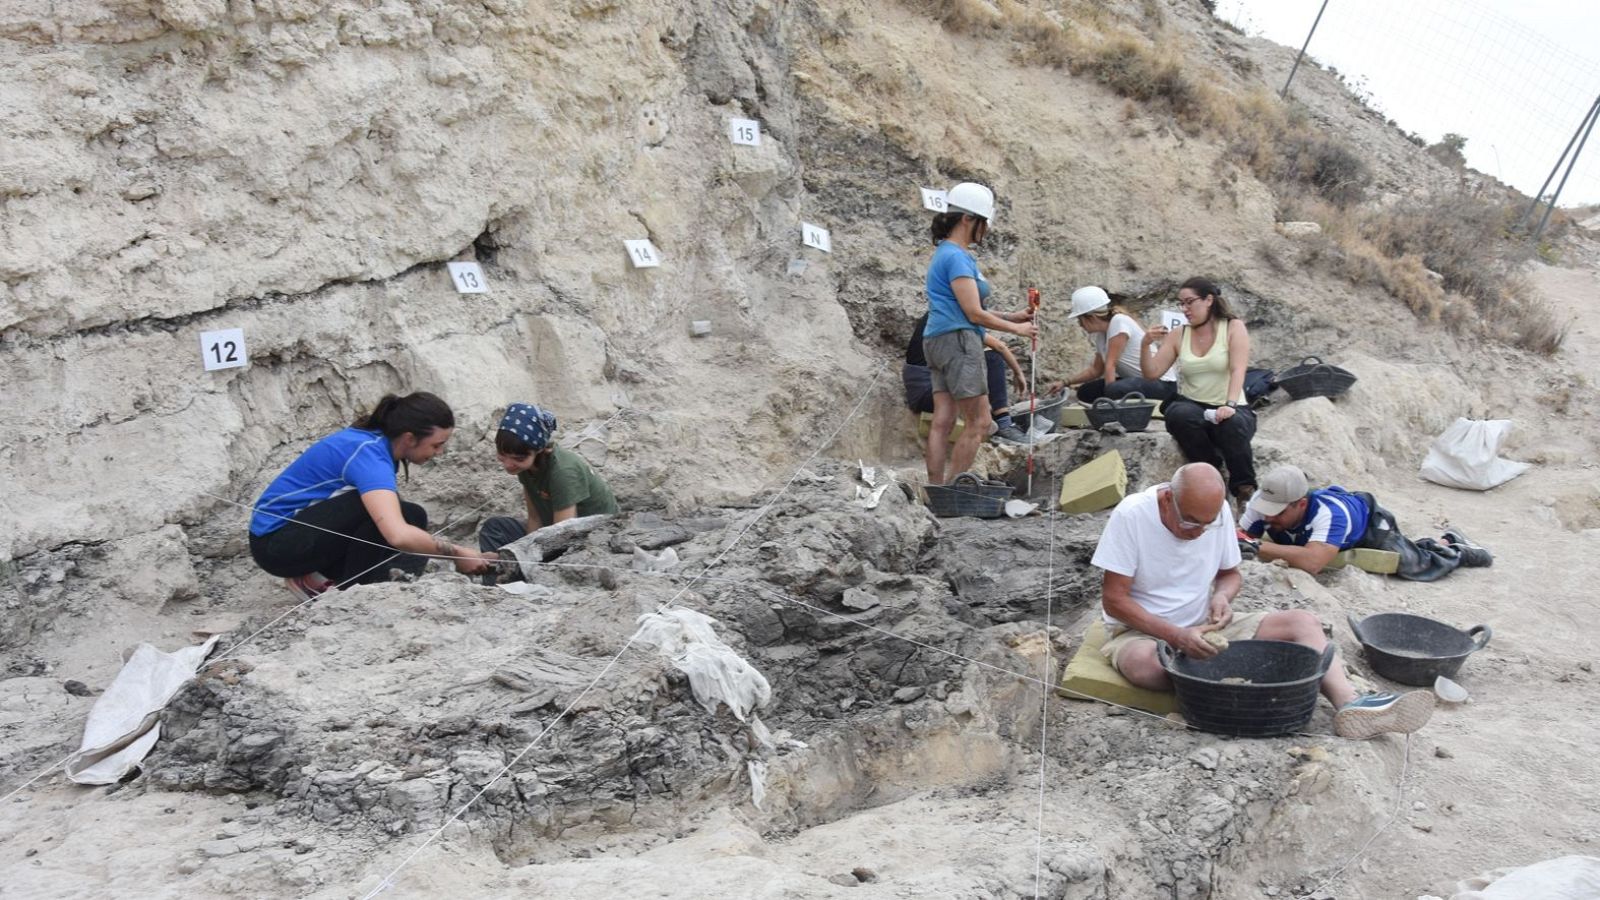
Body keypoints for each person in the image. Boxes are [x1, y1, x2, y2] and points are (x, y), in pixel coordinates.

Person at [1091, 462, 1435, 739]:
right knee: (1146, 665)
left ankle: (1350, 705)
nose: (1197, 532)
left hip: (1203, 625)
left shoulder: (1215, 514)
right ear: (1168, 499)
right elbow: (1115, 601)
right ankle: (1239, 683)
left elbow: (1230, 574)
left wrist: (1222, 597)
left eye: (1205, 525)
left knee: (1303, 623)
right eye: (1190, 523)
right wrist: (1176, 636)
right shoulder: (1132, 515)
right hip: (1144, 632)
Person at [249, 392, 495, 599]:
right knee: (386, 515)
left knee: (409, 514)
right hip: (276, 544)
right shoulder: (370, 456)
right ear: (409, 438)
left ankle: (323, 578)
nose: (439, 452)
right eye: (436, 444)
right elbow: (398, 535)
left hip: (293, 534)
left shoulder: (374, 442)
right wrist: (458, 553)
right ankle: (353, 592)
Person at [922, 181, 1038, 485]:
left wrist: (1010, 316)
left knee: (943, 421)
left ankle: (935, 488)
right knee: (981, 421)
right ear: (968, 219)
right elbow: (973, 313)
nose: (985, 231)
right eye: (983, 223)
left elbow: (962, 306)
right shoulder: (957, 257)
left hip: (937, 340)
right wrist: (1017, 328)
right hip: (959, 341)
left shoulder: (944, 253)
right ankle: (951, 490)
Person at [1238, 465, 1493, 580]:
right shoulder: (1264, 501)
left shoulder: (1331, 514)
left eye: (1278, 513)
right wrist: (1245, 540)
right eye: (1266, 511)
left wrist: (1256, 546)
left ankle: (1454, 547)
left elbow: (1312, 563)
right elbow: (1240, 536)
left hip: (1369, 526)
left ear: (1301, 504)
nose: (1268, 517)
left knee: (1415, 565)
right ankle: (1439, 543)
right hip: (1319, 535)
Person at [1142, 277, 1257, 505]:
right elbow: (1152, 373)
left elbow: (1238, 369)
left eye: (1189, 302)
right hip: (1194, 405)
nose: (1184, 309)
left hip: (1231, 404)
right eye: (1181, 304)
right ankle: (1213, 474)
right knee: (1178, 415)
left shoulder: (1233, 327)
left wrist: (1230, 405)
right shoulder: (1179, 334)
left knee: (1231, 424)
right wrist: (1145, 344)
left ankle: (1244, 490)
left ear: (1208, 300)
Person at [478, 402, 619, 553]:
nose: (508, 464)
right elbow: (535, 519)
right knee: (495, 529)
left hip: (590, 538)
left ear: (538, 449)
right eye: (502, 455)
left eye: (518, 458)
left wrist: (524, 556)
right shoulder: (526, 467)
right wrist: (525, 549)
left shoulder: (563, 472)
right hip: (553, 527)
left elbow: (561, 536)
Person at [903, 312, 1030, 444]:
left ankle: (993, 418)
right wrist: (1018, 373)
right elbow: (999, 346)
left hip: (933, 388)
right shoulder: (951, 316)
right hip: (926, 395)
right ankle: (1003, 424)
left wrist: (1011, 317)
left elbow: (980, 314)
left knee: (988, 358)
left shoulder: (942, 312)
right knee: (990, 359)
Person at [1063, 285, 1178, 404]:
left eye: (1080, 319)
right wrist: (1065, 382)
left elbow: (1110, 365)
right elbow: (1096, 370)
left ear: (1091, 317)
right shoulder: (1101, 337)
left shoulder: (1119, 322)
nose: (1080, 324)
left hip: (1162, 386)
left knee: (1115, 389)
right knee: (1086, 392)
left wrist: (1110, 400)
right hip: (1137, 382)